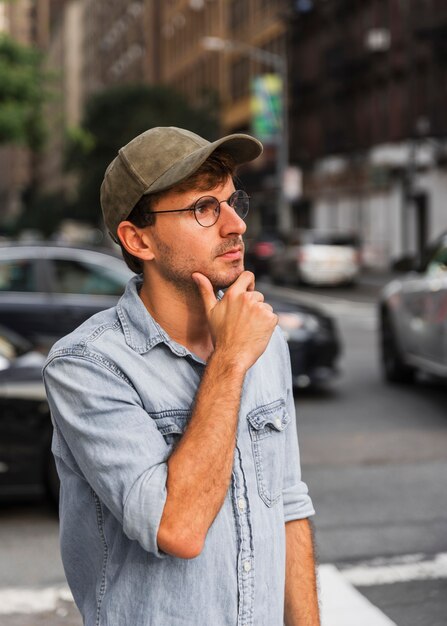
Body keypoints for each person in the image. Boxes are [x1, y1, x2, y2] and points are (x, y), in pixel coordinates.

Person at [43, 126, 320, 626]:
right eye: (203, 208)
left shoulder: (263, 339)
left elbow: (287, 502)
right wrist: (230, 361)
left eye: (233, 200)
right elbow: (178, 528)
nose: (235, 224)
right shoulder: (87, 365)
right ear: (138, 239)